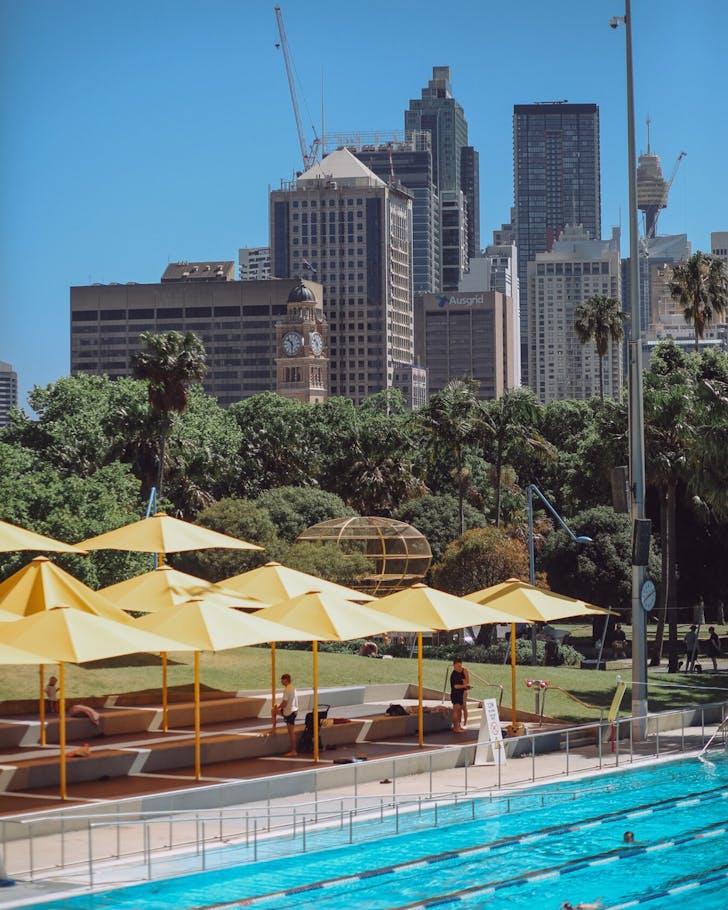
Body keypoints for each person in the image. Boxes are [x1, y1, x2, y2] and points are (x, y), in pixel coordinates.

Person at [271, 673, 299, 756]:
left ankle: (294, 751)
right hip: (293, 710)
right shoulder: (293, 688)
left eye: (282, 680)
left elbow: (284, 703)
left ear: (285, 680)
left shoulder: (287, 690)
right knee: (273, 710)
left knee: (291, 732)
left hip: (289, 712)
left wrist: (278, 707)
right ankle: (274, 728)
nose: (281, 681)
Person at [449, 658, 470, 733]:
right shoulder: (453, 675)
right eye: (457, 666)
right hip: (456, 694)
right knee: (456, 710)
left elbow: (466, 682)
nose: (459, 668)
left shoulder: (463, 671)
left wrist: (466, 686)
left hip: (461, 693)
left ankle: (458, 725)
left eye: (460, 666)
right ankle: (455, 727)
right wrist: (464, 686)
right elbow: (455, 686)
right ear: (454, 666)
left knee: (459, 710)